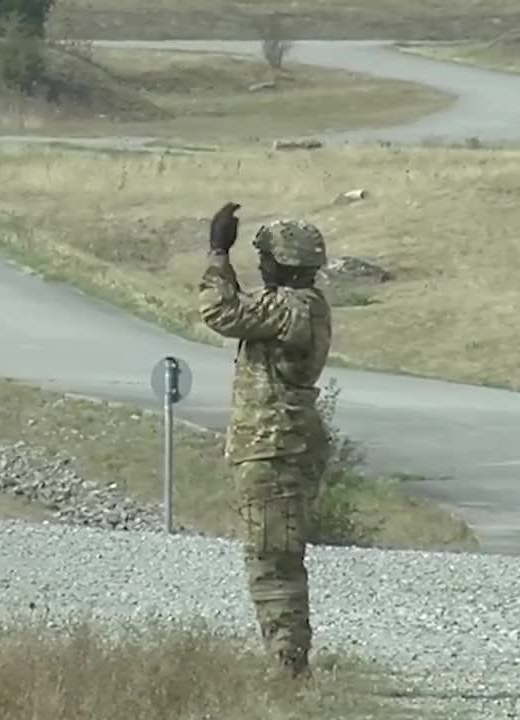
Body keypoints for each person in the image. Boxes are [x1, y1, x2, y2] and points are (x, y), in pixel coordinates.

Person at [197, 201, 333, 678]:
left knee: (272, 559)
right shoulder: (303, 305)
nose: (261, 266)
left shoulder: (291, 307)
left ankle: (287, 667)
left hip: (274, 447)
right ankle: (287, 659)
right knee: (274, 553)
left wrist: (218, 253)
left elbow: (221, 311)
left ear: (283, 263)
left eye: (266, 259)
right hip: (282, 445)